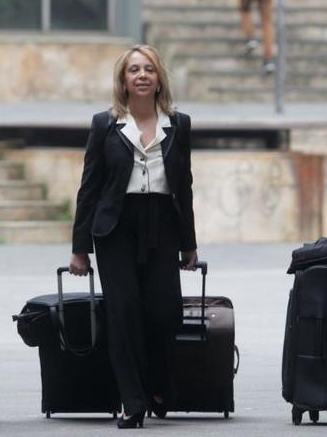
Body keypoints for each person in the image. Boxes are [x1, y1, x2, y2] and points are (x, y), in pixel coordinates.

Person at [69, 44, 199, 429]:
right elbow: (88, 188)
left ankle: (157, 380)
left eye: (149, 70)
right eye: (133, 70)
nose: (141, 75)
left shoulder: (180, 124)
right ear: (123, 81)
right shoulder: (105, 124)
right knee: (123, 314)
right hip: (115, 226)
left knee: (164, 312)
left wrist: (189, 242)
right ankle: (133, 401)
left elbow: (185, 186)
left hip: (162, 223)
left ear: (159, 80)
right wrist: (80, 248)